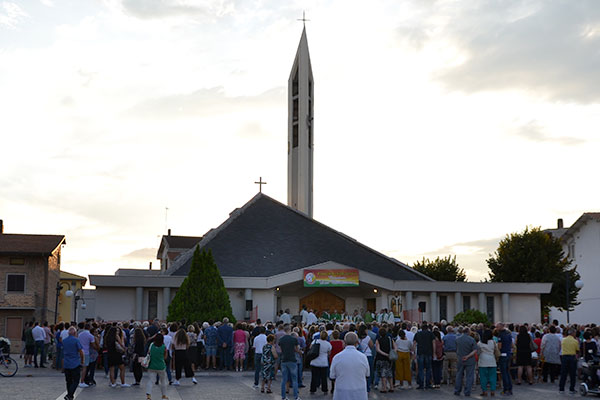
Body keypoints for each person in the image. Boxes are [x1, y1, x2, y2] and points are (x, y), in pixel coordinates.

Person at [330, 332, 369, 400]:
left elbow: (332, 376)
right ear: (357, 342)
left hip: (342, 392)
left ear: (344, 342)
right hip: (359, 391)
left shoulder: (337, 357)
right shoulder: (363, 357)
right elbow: (367, 375)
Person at [454, 327, 477, 397]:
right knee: (469, 376)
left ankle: (457, 390)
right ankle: (467, 391)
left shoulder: (457, 339)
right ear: (468, 332)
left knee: (459, 375)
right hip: (470, 360)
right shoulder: (472, 339)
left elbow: (456, 348)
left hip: (460, 359)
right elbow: (475, 350)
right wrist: (468, 356)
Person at [62, 327, 84, 400]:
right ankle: (70, 394)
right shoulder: (76, 340)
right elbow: (80, 351)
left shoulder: (64, 341)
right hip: (75, 362)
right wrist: (82, 360)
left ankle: (70, 395)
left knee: (68, 380)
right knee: (76, 380)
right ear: (75, 333)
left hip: (66, 363)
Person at [279, 325, 300, 400]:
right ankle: (296, 396)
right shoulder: (293, 339)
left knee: (284, 379)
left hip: (284, 360)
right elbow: (296, 349)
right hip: (292, 359)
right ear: (290, 330)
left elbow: (281, 350)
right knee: (294, 379)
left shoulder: (281, 339)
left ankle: (283, 396)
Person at [146, 333, 169, 400]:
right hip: (161, 366)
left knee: (151, 381)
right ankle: (164, 395)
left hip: (151, 365)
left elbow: (148, 353)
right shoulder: (163, 347)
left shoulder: (152, 345)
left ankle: (148, 395)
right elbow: (165, 357)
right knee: (163, 381)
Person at [310, 330, 332, 394]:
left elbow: (310, 348)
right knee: (324, 377)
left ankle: (313, 389)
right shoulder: (328, 344)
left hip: (315, 361)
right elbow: (329, 353)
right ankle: (325, 389)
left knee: (314, 377)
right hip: (323, 362)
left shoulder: (315, 341)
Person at [413, 323, 435, 389]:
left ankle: (421, 384)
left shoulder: (418, 334)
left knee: (420, 369)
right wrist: (434, 353)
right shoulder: (431, 334)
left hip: (420, 352)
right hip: (429, 352)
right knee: (428, 369)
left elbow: (414, 344)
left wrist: (414, 353)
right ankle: (428, 384)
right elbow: (433, 343)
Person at [374, 327, 396, 393]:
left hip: (381, 358)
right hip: (389, 359)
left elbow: (378, 350)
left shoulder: (378, 340)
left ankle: (384, 388)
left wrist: (385, 354)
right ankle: (391, 387)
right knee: (389, 373)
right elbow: (395, 347)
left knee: (383, 374)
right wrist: (391, 354)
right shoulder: (390, 339)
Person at [559, 328, 579, 394]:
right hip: (572, 357)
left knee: (563, 373)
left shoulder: (563, 340)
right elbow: (577, 350)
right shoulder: (575, 341)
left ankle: (561, 388)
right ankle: (571, 389)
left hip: (564, 357)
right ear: (573, 333)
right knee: (572, 374)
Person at [478, 329, 497, 396]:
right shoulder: (493, 342)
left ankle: (484, 391)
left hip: (483, 360)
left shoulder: (480, 343)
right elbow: (496, 351)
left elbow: (478, 351)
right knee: (493, 377)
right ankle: (492, 391)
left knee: (483, 377)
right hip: (492, 360)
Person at [496, 323, 513, 396]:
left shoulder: (500, 334)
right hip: (508, 354)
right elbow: (512, 344)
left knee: (504, 373)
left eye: (497, 327)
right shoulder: (508, 333)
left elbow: (499, 346)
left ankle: (506, 389)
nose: (496, 328)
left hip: (503, 354)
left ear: (501, 326)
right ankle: (510, 388)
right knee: (507, 372)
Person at [357, 325, 375, 391]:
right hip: (368, 355)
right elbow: (371, 345)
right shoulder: (367, 337)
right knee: (369, 371)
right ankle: (368, 387)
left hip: (360, 355)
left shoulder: (357, 338)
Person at [77, 323, 95, 388]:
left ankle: (77, 380)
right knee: (85, 367)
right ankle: (82, 381)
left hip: (79, 351)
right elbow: (93, 345)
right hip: (86, 352)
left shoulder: (80, 334)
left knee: (78, 367)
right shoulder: (90, 336)